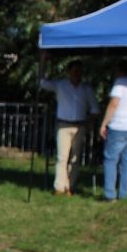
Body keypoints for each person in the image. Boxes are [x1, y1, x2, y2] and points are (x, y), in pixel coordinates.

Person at [40, 57, 100, 195]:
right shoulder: (60, 85)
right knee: (62, 157)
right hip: (64, 124)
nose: (76, 74)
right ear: (69, 72)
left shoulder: (86, 89)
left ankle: (70, 185)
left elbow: (95, 109)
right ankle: (59, 187)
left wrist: (90, 122)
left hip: (80, 126)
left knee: (75, 158)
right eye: (74, 71)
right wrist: (43, 61)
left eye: (79, 71)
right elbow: (42, 83)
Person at [98, 61, 127, 202]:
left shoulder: (119, 84)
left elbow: (114, 104)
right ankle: (124, 193)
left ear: (119, 71)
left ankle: (110, 194)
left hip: (119, 126)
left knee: (111, 159)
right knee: (126, 160)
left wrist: (104, 124)